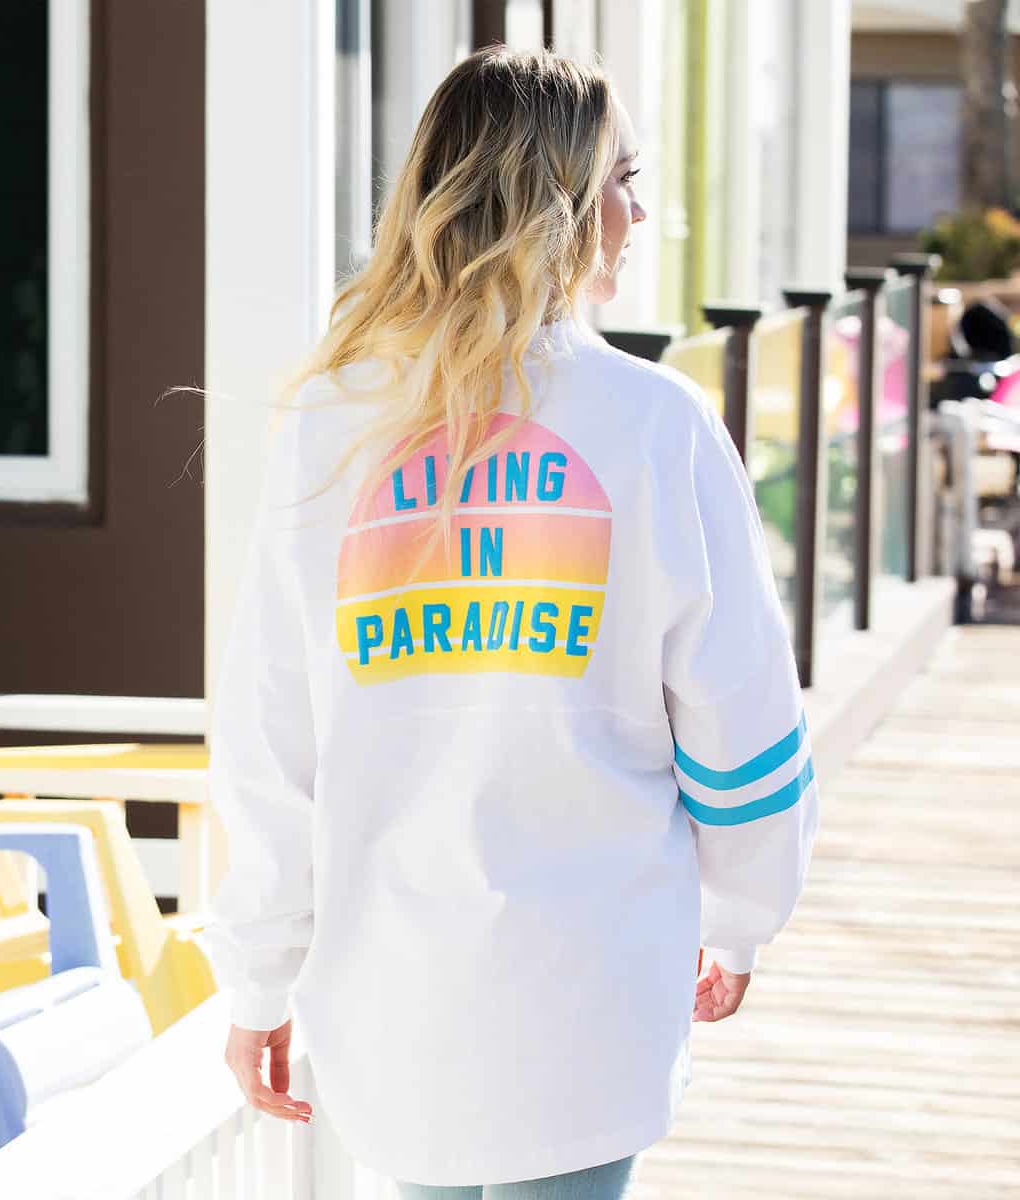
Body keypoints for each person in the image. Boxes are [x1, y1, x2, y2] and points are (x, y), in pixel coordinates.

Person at [203, 45, 819, 1199]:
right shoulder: (655, 424)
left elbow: (270, 742)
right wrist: (742, 911)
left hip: (390, 989)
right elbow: (738, 712)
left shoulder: (333, 422)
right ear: (560, 204)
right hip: (591, 983)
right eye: (622, 179)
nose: (640, 213)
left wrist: (260, 975)